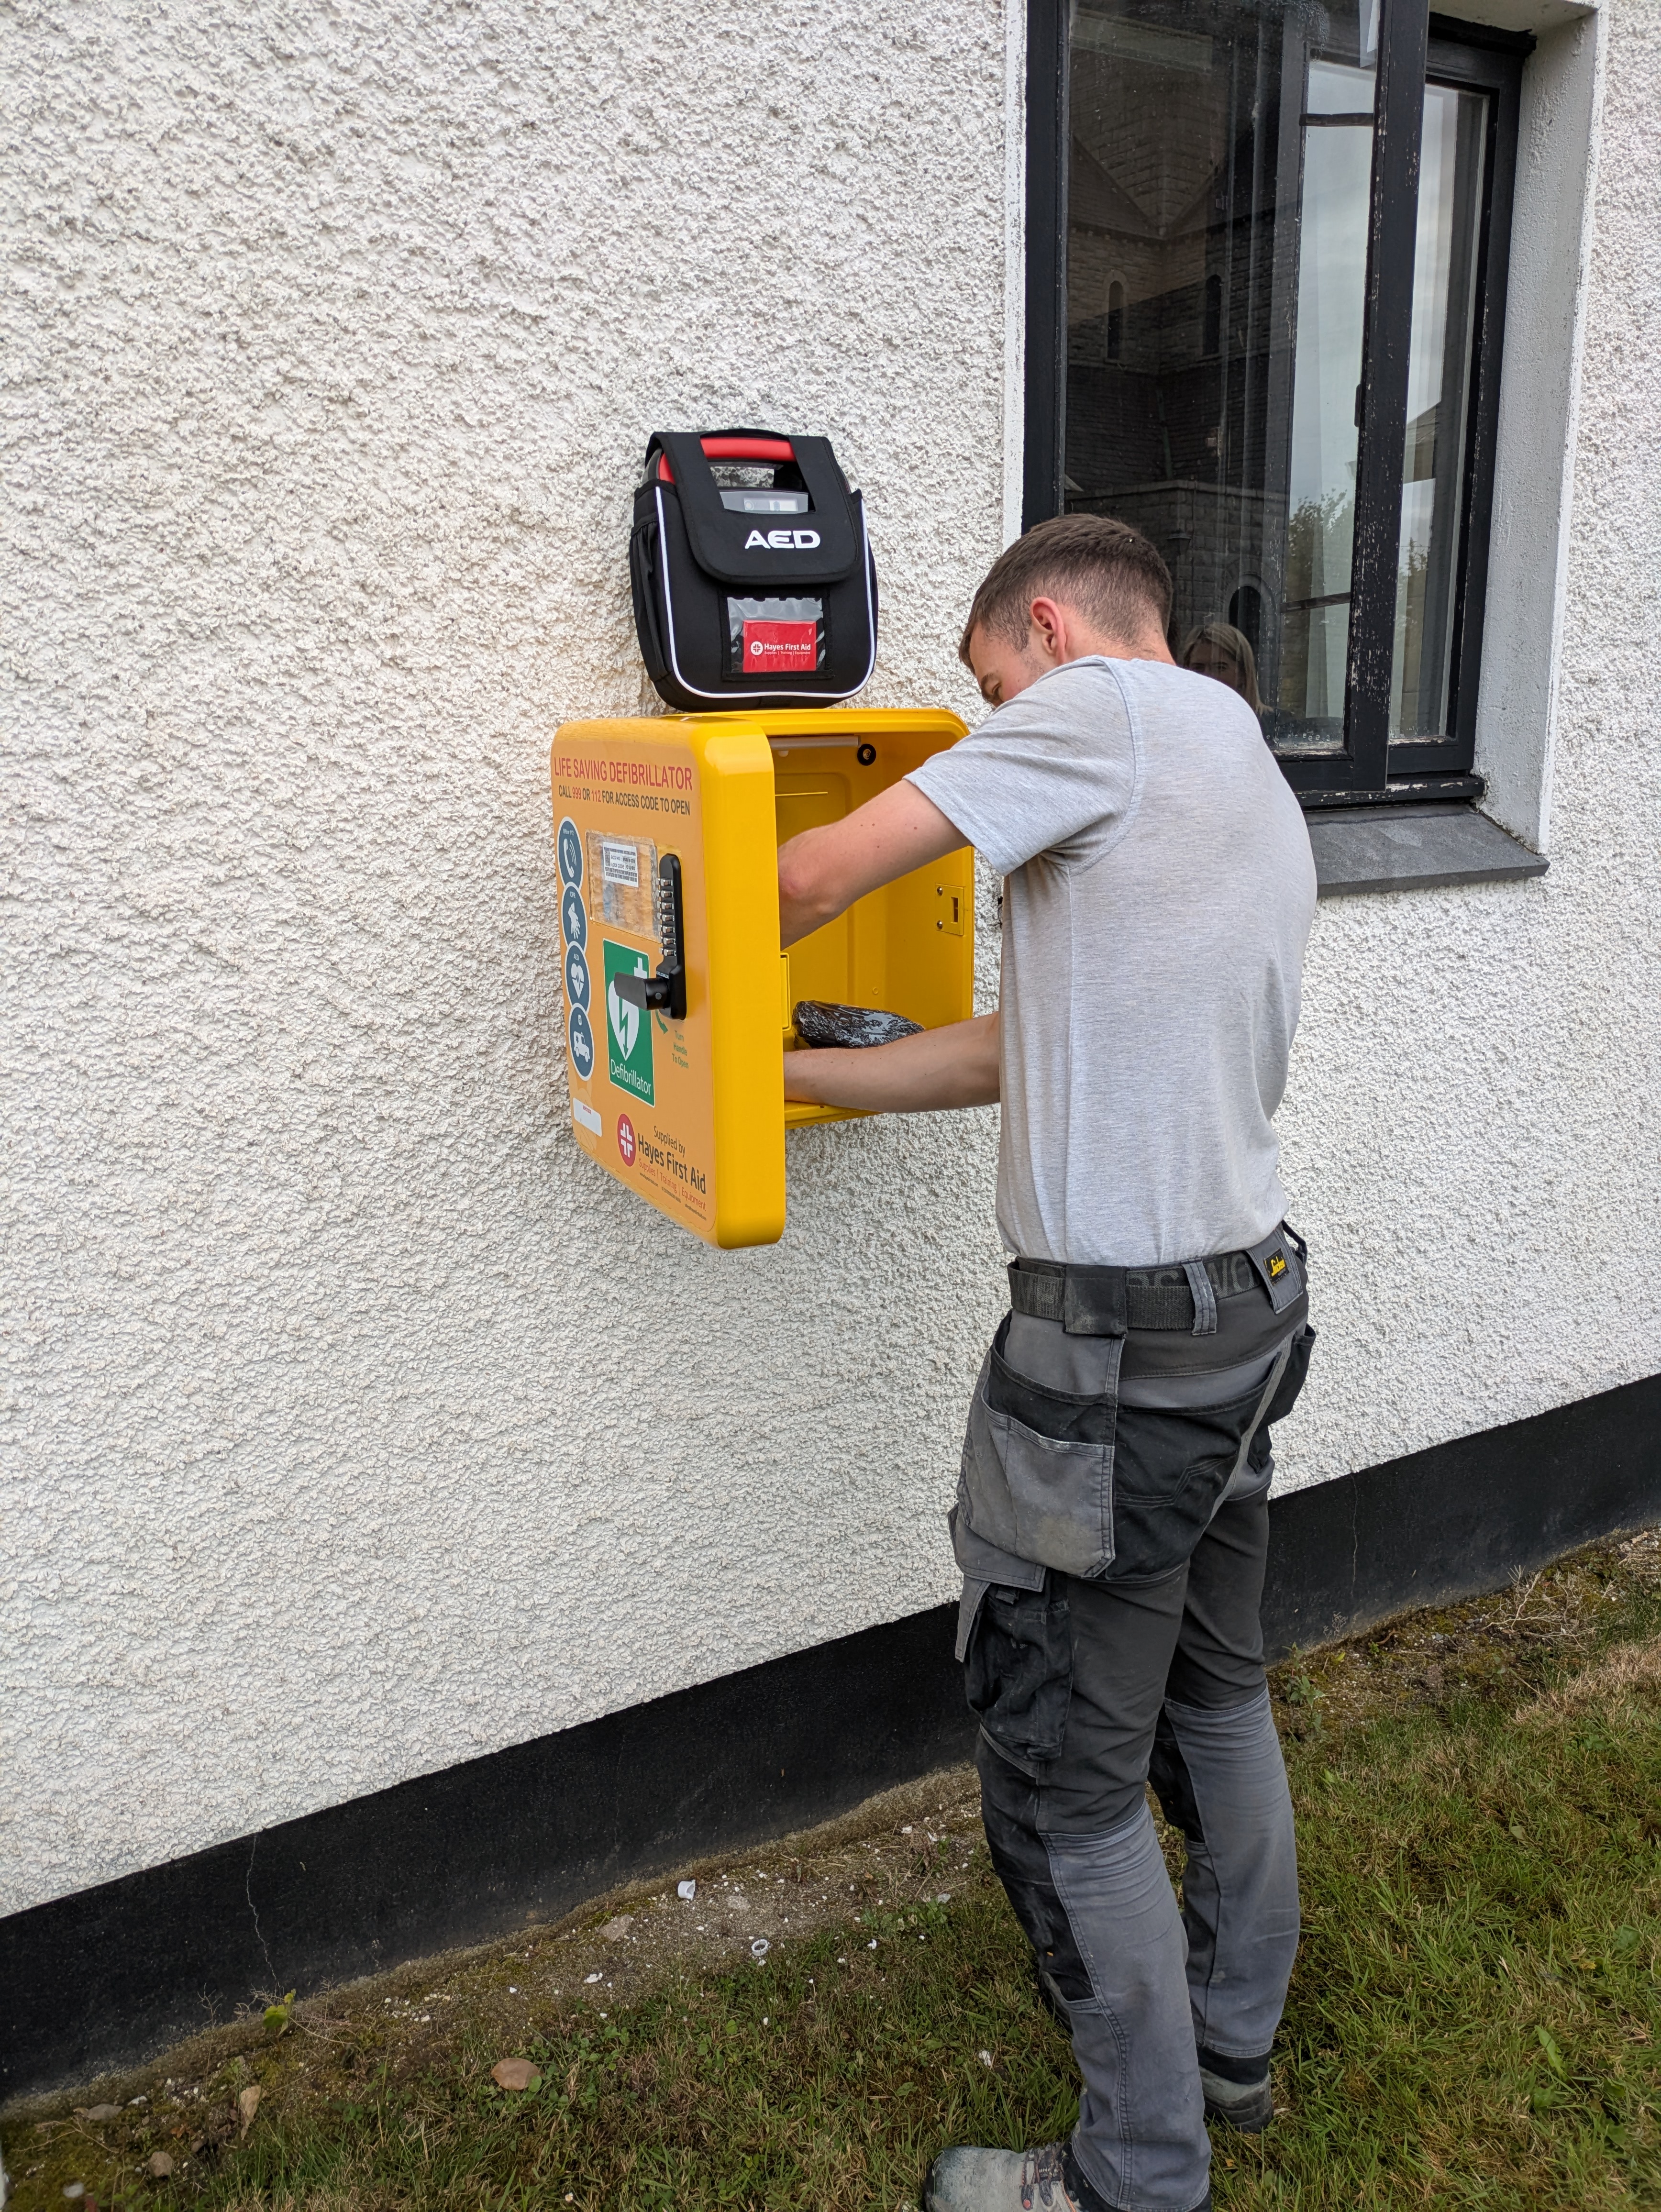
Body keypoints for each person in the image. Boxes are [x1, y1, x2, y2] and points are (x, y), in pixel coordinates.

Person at [777, 513, 1318, 2212]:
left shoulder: (1096, 710)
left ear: (1046, 627)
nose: (993, 721)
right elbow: (1029, 1047)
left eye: (986, 686)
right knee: (1215, 1691)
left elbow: (802, 874)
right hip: (1242, 1311)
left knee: (1064, 1781)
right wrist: (793, 1078)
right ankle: (1230, 2044)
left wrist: (661, 990)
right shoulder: (1238, 752)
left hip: (1112, 1365)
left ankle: (1132, 2174)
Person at [1180, 618, 1262, 715]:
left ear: (1242, 674)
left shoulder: (1275, 725)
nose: (1207, 676)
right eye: (1198, 668)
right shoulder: (1183, 720)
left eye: (1220, 668)